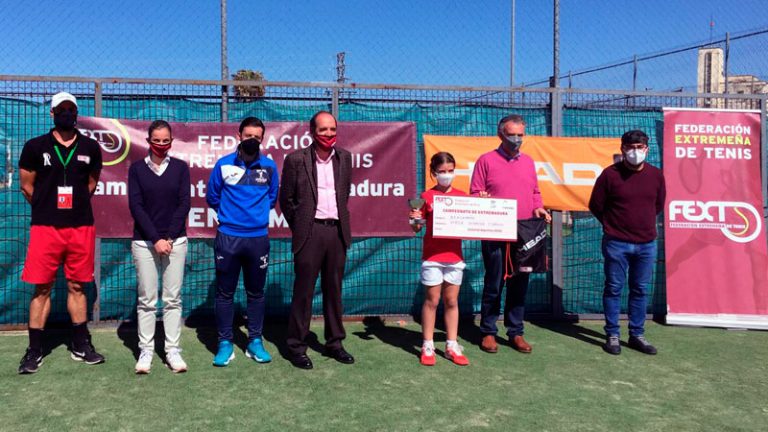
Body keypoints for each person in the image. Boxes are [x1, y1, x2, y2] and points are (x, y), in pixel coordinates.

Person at [17, 91, 104, 374]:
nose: (67, 114)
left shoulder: (90, 147)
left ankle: (80, 345)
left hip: (80, 227)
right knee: (41, 288)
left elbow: (90, 184)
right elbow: (26, 186)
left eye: (71, 109)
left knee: (78, 286)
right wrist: (48, 208)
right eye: (61, 109)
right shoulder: (34, 146)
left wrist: (71, 207)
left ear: (76, 113)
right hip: (45, 228)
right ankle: (34, 350)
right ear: (52, 113)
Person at [470, 114, 551, 355]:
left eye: (520, 135)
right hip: (495, 232)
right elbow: (475, 193)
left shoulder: (528, 162)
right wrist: (481, 198)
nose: (517, 139)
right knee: (494, 283)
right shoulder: (485, 160)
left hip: (525, 233)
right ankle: (487, 331)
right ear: (500, 135)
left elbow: (535, 192)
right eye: (512, 134)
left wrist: (538, 206)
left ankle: (515, 332)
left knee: (520, 283)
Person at [280, 111, 354, 370]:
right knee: (304, 293)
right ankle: (296, 346)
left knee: (334, 292)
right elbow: (286, 200)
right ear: (312, 132)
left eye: (332, 129)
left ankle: (335, 343)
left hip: (336, 233)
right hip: (309, 233)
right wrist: (302, 226)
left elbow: (344, 194)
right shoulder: (296, 160)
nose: (329, 135)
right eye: (323, 130)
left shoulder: (345, 158)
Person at [206, 117, 278, 367]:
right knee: (225, 293)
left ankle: (255, 341)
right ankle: (225, 343)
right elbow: (212, 197)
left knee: (256, 293)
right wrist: (233, 219)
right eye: (248, 135)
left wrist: (252, 219)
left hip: (257, 239)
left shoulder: (269, 167)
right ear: (238, 135)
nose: (252, 140)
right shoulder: (223, 165)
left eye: (257, 137)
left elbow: (271, 198)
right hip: (228, 238)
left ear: (262, 139)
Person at [588, 129, 665, 355]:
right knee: (613, 288)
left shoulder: (656, 175)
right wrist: (612, 225)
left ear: (647, 149)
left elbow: (658, 205)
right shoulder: (609, 175)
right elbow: (596, 205)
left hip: (647, 243)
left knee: (640, 289)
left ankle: (637, 335)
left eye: (640, 147)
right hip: (616, 243)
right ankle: (612, 335)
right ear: (622, 149)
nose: (635, 151)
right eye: (630, 147)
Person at [128, 120, 191, 373]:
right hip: (144, 242)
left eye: (166, 141)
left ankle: (172, 350)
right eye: (157, 140)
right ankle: (146, 351)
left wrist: (169, 237)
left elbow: (183, 203)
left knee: (173, 299)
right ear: (148, 141)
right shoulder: (136, 170)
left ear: (172, 141)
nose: (162, 145)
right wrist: (156, 239)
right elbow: (136, 206)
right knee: (147, 299)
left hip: (176, 241)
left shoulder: (180, 168)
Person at [409, 152, 469, 366]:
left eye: (450, 171)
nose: (446, 175)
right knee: (432, 300)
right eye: (442, 172)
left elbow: (475, 221)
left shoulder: (464, 196)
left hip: (455, 257)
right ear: (433, 173)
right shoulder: (425, 197)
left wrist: (484, 205)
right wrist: (415, 220)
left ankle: (452, 344)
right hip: (433, 256)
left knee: (452, 301)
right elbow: (416, 227)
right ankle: (427, 344)